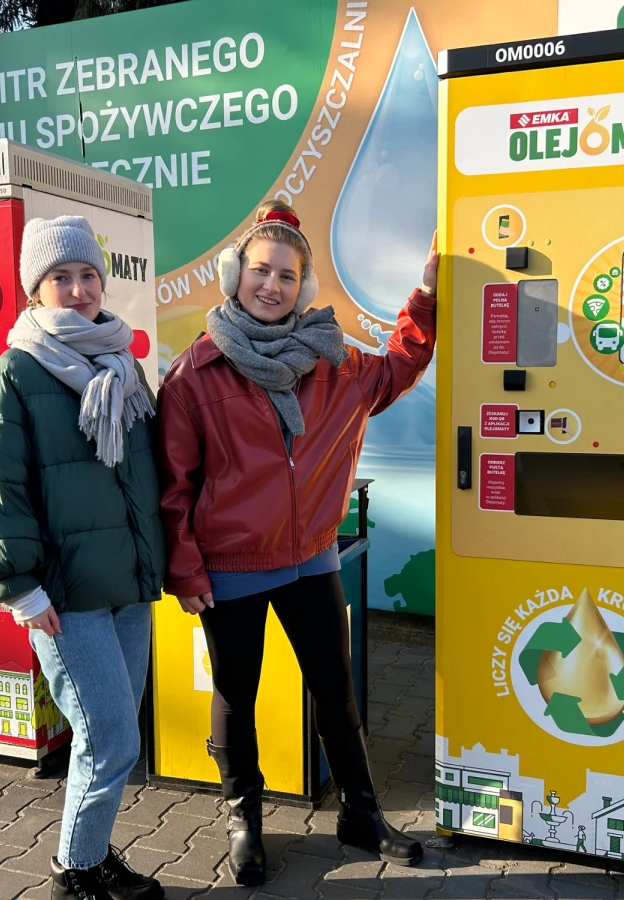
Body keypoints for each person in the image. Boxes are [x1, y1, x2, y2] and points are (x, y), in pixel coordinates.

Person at [158, 201, 437, 886]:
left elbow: (401, 363)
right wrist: (187, 570)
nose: (272, 285)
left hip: (310, 557)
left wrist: (426, 296)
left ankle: (360, 815)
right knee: (236, 693)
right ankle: (243, 820)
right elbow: (173, 486)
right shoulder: (196, 373)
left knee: (336, 690)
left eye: (287, 274)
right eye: (261, 270)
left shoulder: (336, 365)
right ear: (236, 276)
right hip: (230, 567)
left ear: (303, 286)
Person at [0, 215, 167, 900]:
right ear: (33, 291)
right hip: (63, 597)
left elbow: (143, 474)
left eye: (87, 276)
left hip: (125, 586)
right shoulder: (16, 372)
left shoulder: (122, 363)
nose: (77, 290)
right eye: (60, 277)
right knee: (110, 739)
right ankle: (74, 873)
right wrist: (20, 587)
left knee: (112, 735)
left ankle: (94, 853)